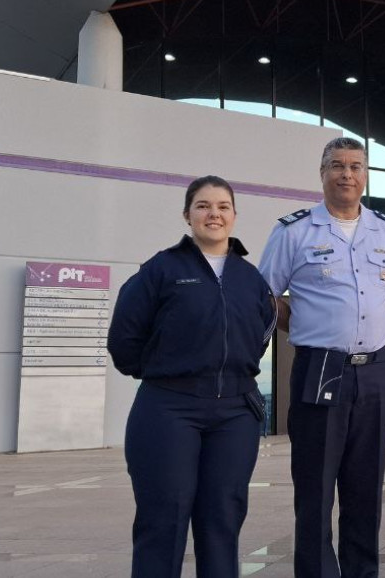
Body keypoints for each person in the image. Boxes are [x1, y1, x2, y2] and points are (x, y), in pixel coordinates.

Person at [108, 175, 277, 578]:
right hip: (169, 408)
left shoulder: (250, 278)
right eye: (203, 206)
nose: (213, 214)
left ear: (234, 216)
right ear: (187, 215)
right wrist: (164, 373)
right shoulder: (161, 269)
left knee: (222, 519)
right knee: (163, 518)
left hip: (235, 412)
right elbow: (124, 339)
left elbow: (259, 334)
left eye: (222, 206)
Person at [258, 137, 385, 578]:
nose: (347, 174)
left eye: (356, 166)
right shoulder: (294, 230)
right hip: (319, 367)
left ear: (366, 175)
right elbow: (265, 297)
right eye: (337, 165)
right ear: (322, 173)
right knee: (316, 489)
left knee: (366, 489)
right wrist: (308, 323)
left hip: (375, 371)